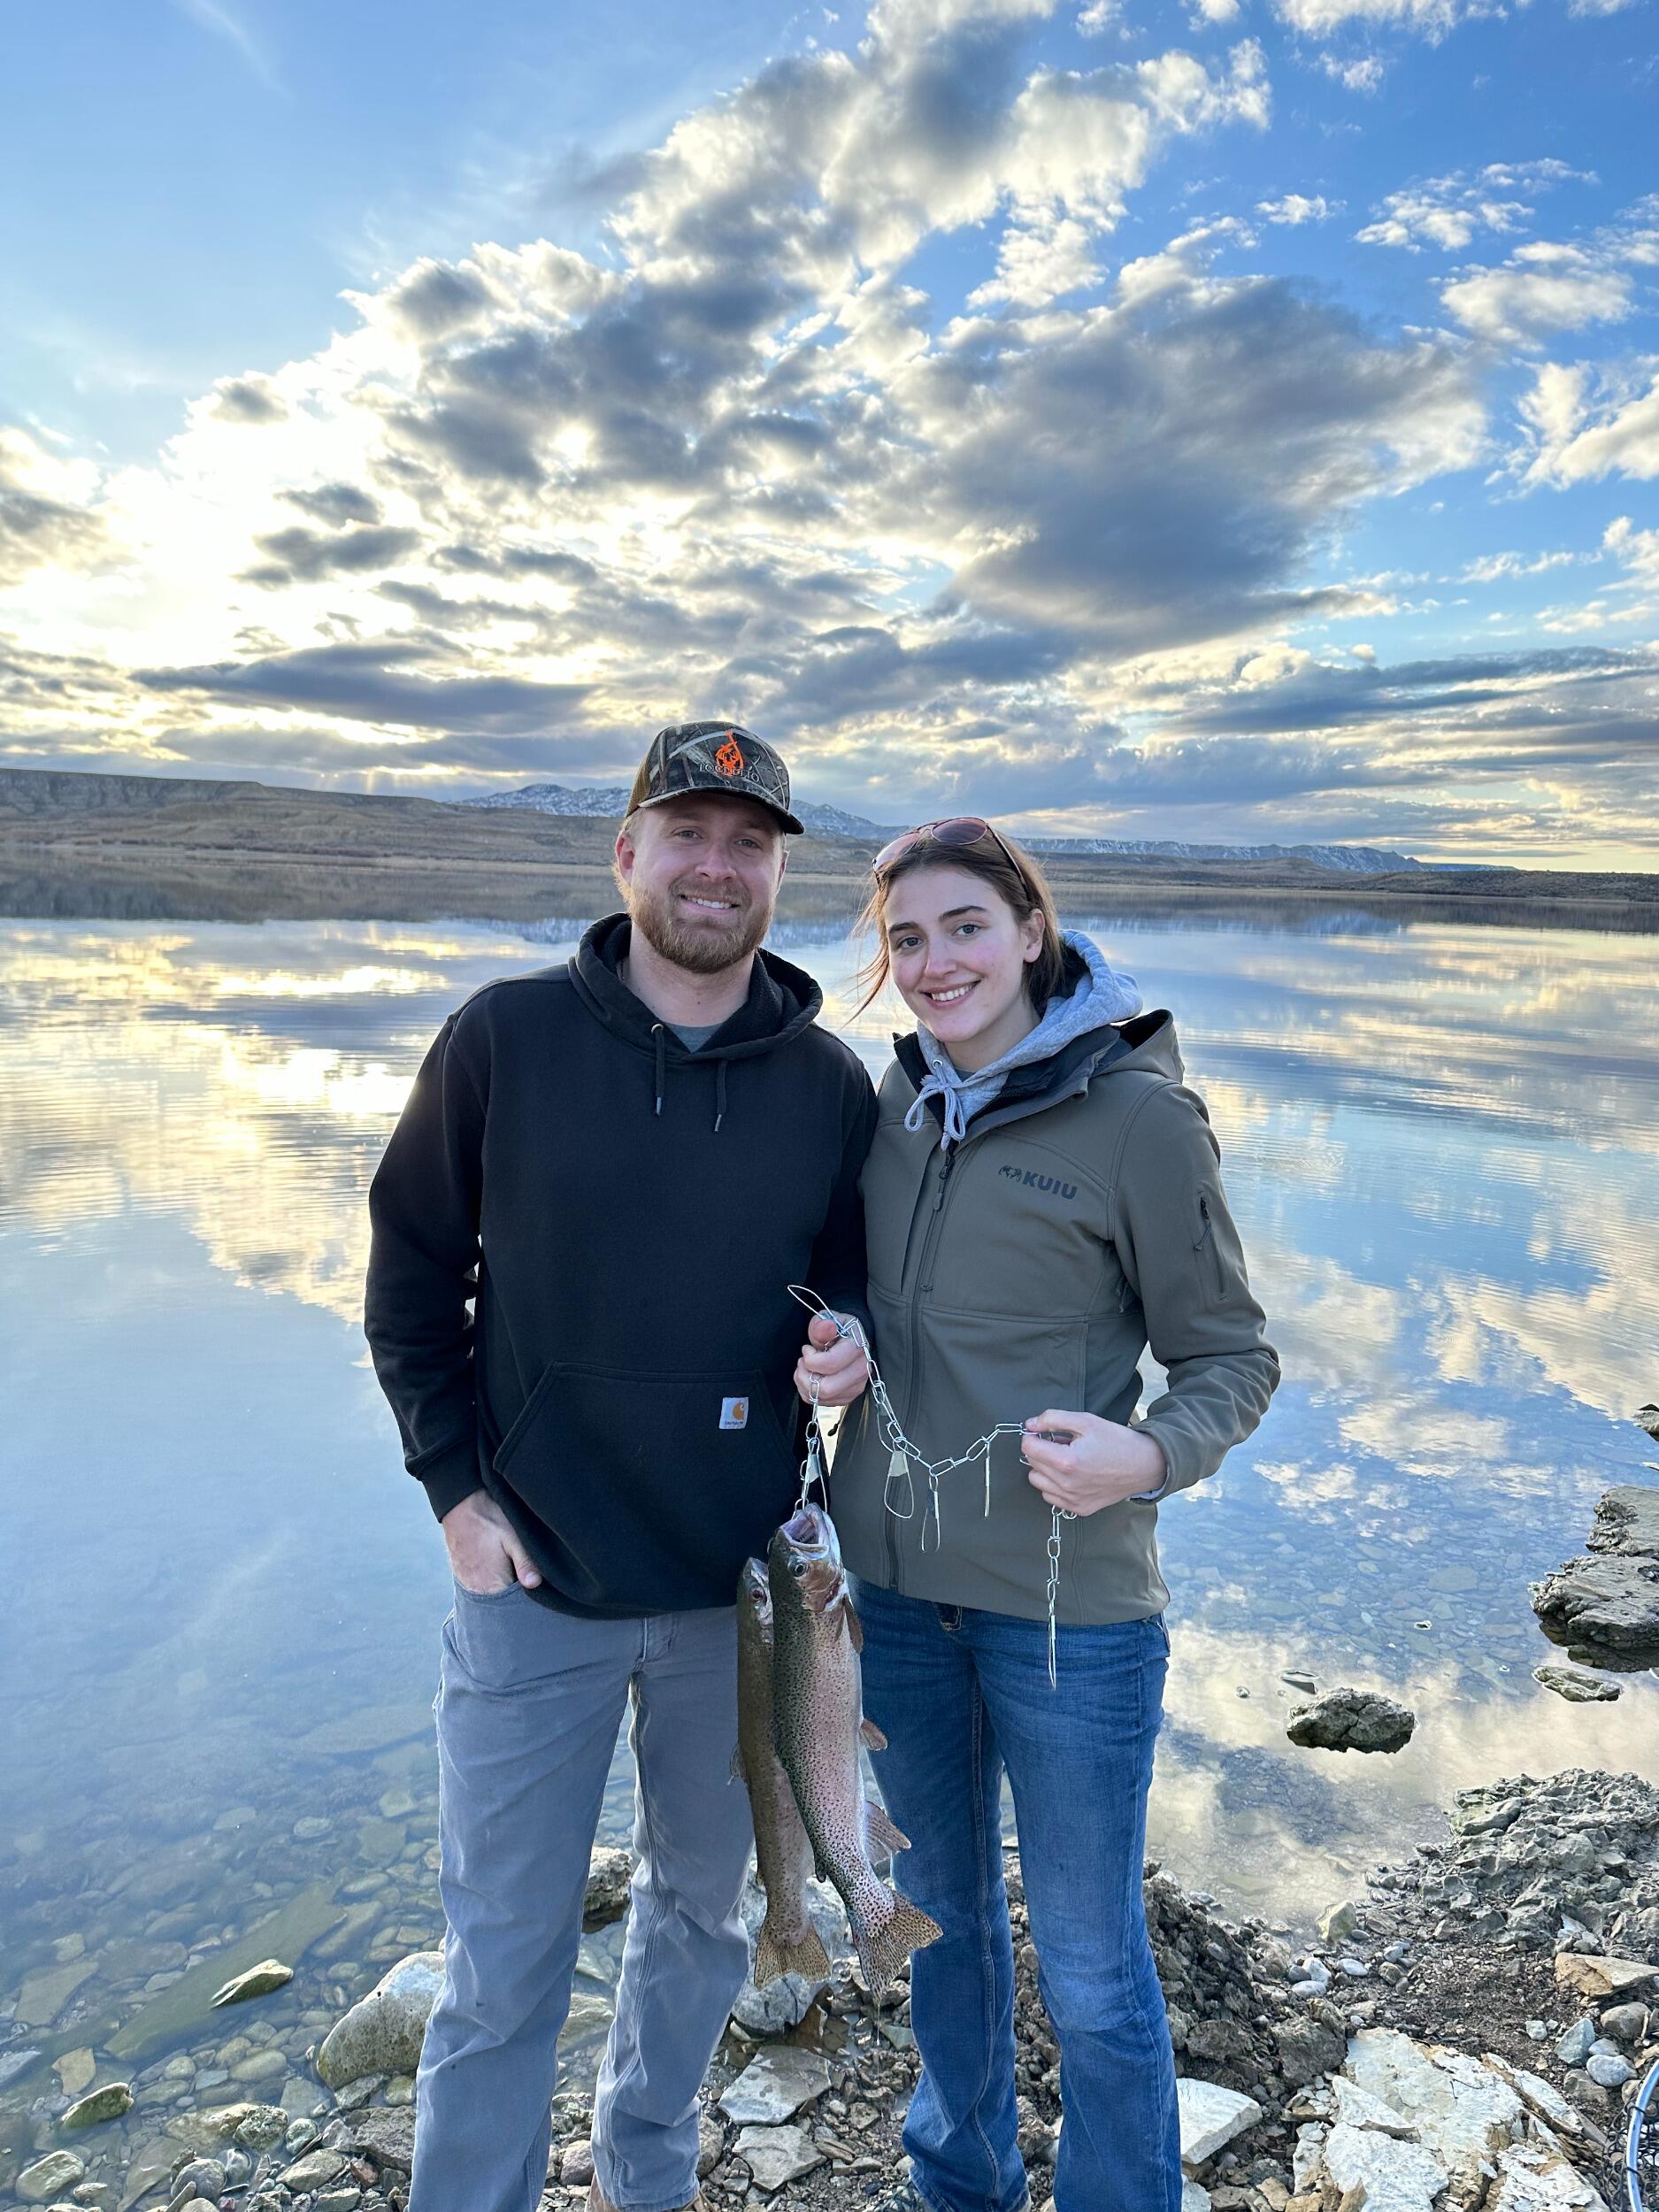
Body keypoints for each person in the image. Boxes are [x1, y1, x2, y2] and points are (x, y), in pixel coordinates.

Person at [365, 721, 877, 2212]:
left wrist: (853, 1352)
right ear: (629, 854)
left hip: (748, 1604)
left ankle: (649, 2181)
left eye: (751, 844)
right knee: (502, 1959)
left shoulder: (830, 1087)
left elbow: (850, 1303)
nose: (718, 866)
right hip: (535, 1581)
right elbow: (409, 1276)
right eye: (689, 832)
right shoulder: (501, 1040)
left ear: (778, 875)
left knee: (702, 1927)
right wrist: (453, 1491)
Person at [795, 817, 1279, 2212]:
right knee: (935, 1929)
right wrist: (837, 1339)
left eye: (963, 927)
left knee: (1086, 1954)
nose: (937, 964)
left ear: (1028, 930)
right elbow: (860, 1299)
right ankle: (962, 2183)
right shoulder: (882, 1110)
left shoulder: (1139, 1118)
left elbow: (1232, 1359)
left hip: (1074, 1614)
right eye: (905, 939)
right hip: (886, 1601)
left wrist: (1146, 1457)